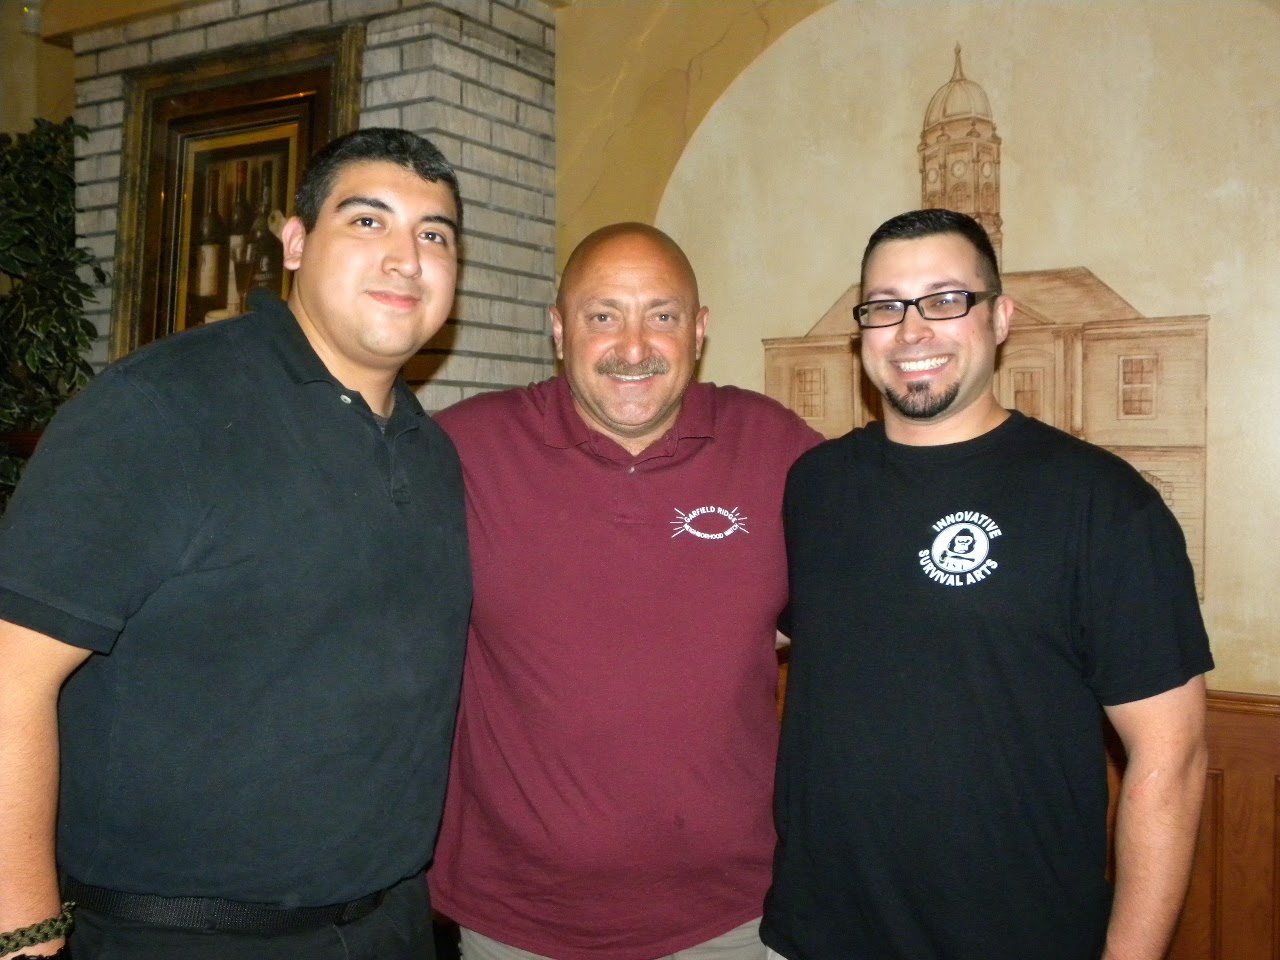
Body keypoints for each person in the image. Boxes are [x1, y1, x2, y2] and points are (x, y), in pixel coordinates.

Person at [0, 128, 472, 960]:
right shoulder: (158, 409)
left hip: (391, 925)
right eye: (367, 221)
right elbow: (11, 676)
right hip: (183, 937)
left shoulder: (431, 454)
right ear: (295, 243)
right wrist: (25, 936)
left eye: (434, 235)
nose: (406, 258)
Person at [762, 208, 1213, 960]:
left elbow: (1174, 761)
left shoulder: (1101, 503)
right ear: (861, 331)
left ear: (1001, 318)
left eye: (946, 300)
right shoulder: (815, 486)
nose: (912, 331)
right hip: (815, 936)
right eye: (885, 306)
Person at [427, 223, 823, 960]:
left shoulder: (773, 447)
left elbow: (871, 595)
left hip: (733, 917)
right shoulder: (464, 451)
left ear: (699, 330)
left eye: (661, 316)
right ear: (559, 329)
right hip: (515, 922)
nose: (634, 348)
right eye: (603, 315)